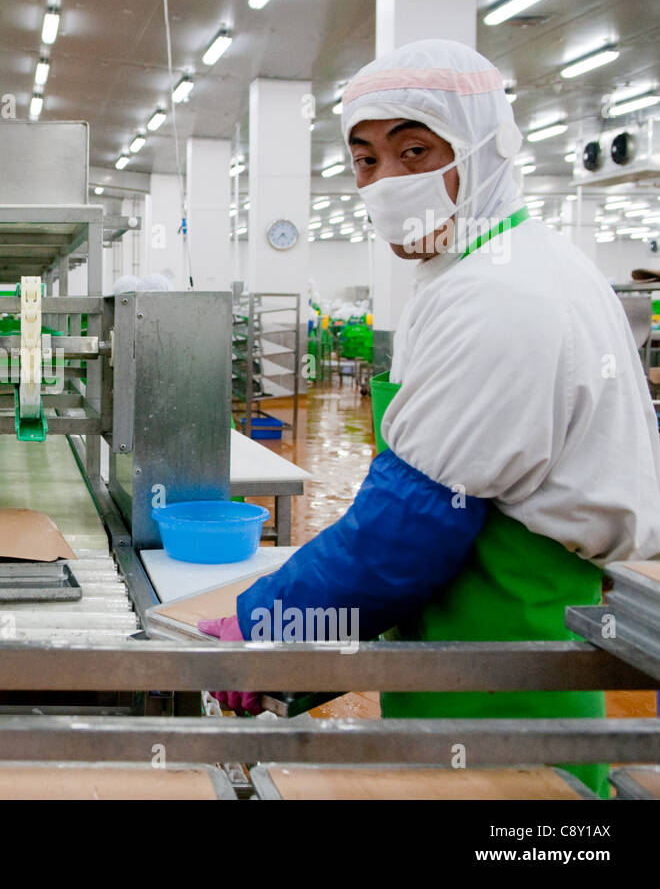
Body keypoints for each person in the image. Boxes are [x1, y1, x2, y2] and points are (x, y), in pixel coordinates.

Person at [197, 39, 660, 798]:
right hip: (465, 635)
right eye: (367, 161)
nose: (387, 183)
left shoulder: (505, 295)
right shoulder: (494, 267)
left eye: (414, 151)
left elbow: (403, 539)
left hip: (503, 669)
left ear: (482, 151)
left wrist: (261, 633)